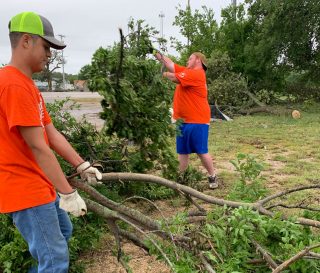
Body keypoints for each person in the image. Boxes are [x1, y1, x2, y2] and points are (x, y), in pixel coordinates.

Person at [0, 11, 102, 272]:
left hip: (38, 184)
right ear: (26, 41)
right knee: (55, 258)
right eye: (46, 46)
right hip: (25, 189)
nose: (50, 54)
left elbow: (51, 133)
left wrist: (81, 165)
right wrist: (68, 193)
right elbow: (37, 145)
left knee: (63, 234)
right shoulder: (13, 85)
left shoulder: (28, 86)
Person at [152, 49, 218, 189]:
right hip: (182, 120)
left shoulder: (197, 74)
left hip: (197, 120)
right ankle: (180, 178)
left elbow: (175, 77)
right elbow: (170, 63)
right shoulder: (188, 72)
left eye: (190, 58)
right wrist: (154, 52)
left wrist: (163, 74)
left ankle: (212, 176)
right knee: (183, 151)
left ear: (198, 60)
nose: (187, 61)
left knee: (201, 151)